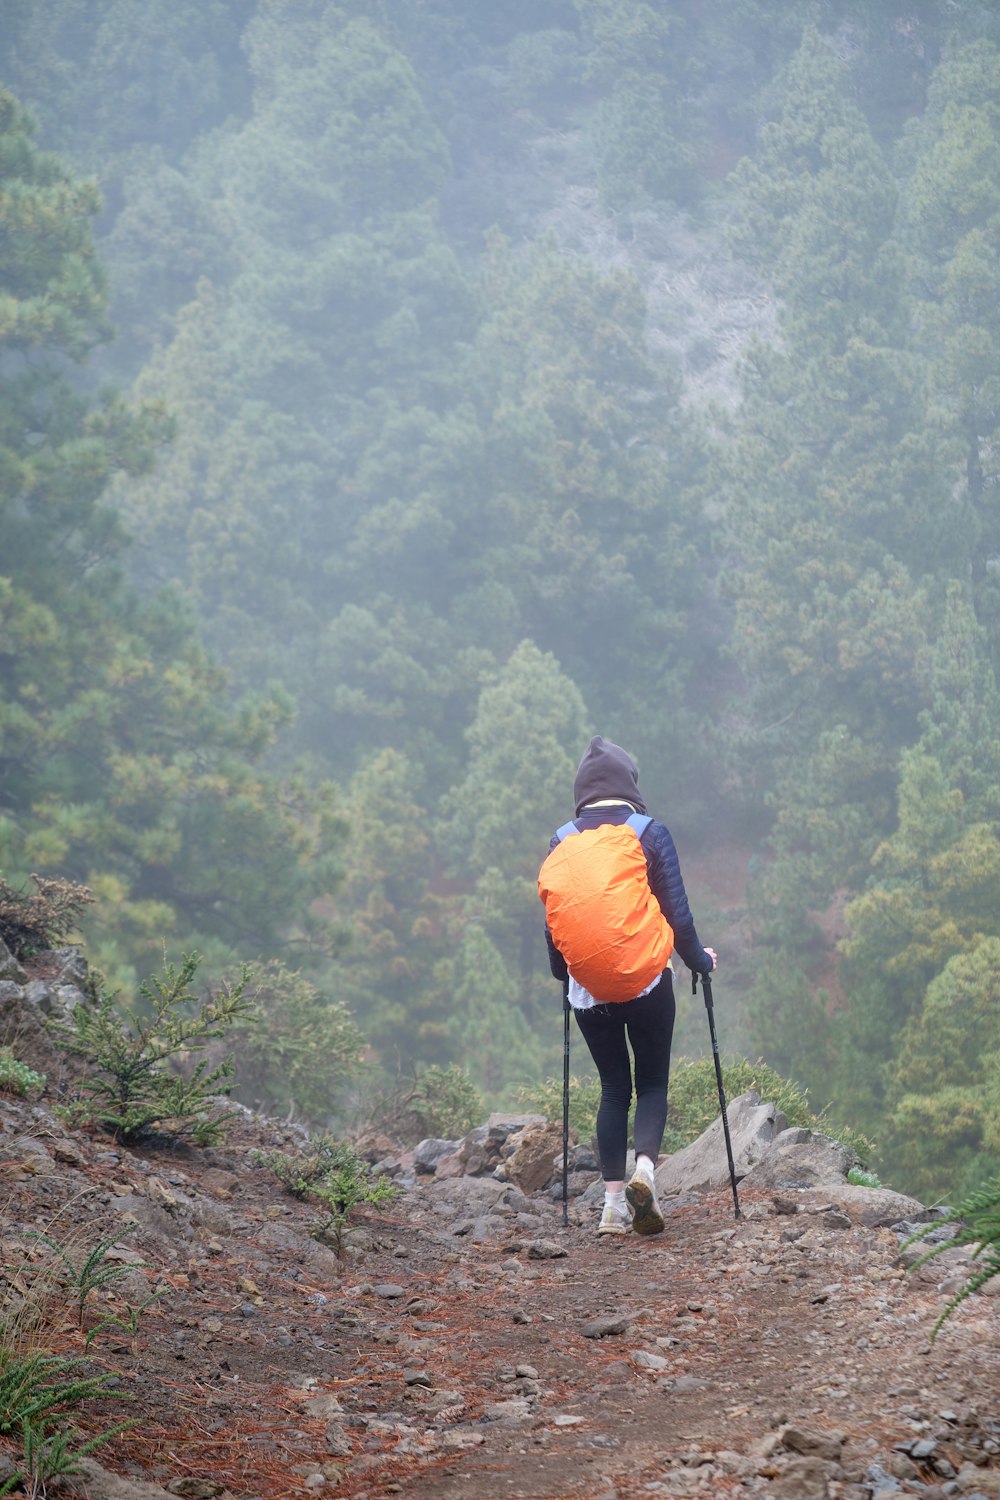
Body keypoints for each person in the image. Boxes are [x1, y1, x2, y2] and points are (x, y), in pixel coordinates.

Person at [543, 736, 716, 1237]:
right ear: (630, 786)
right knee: (653, 1083)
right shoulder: (649, 832)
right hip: (645, 981)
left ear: (583, 792)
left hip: (587, 989)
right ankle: (645, 1171)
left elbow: (555, 922)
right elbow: (677, 917)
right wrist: (699, 961)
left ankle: (612, 1207)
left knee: (613, 1089)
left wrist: (566, 973)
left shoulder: (562, 841)